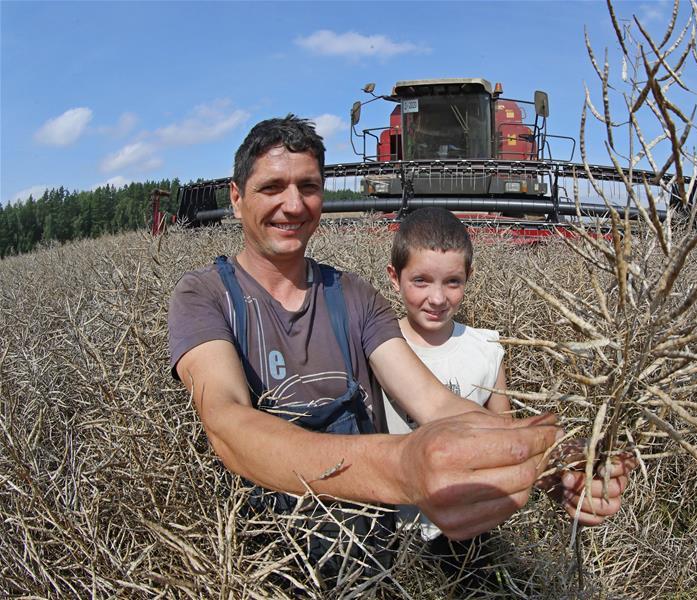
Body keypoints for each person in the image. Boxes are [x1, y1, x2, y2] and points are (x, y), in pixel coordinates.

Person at [167, 114, 634, 585]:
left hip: (369, 560)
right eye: (272, 187)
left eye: (308, 187)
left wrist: (557, 459)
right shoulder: (205, 296)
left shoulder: (352, 295)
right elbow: (227, 422)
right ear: (236, 197)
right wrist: (402, 467)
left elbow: (435, 403)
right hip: (263, 565)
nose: (293, 204)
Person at [383, 207, 512, 592]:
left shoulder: (486, 349)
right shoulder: (378, 345)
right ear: (394, 278)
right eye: (420, 281)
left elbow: (504, 432)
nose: (437, 298)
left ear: (468, 277)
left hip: (463, 530)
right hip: (387, 526)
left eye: (452, 282)